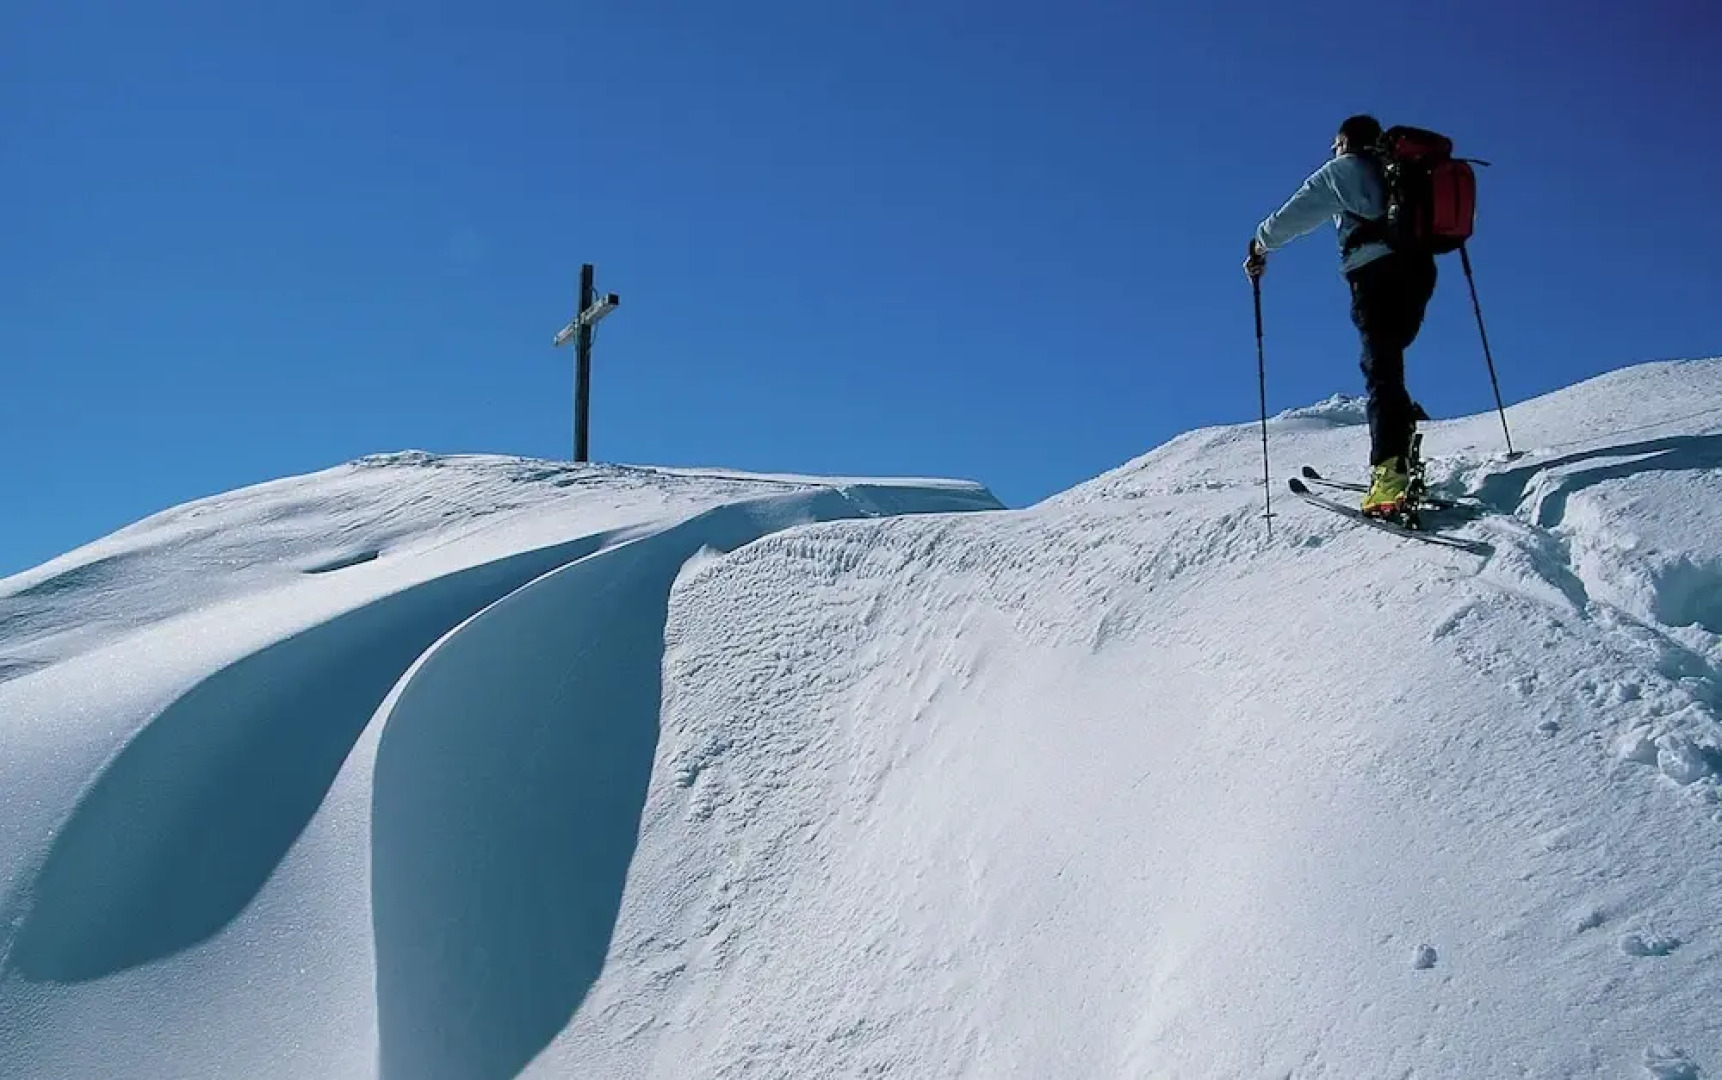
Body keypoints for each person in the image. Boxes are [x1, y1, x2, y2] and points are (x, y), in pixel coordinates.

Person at [1244, 114, 1437, 517]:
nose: (1332, 150)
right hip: (1418, 271)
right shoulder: (1400, 172)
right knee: (1389, 364)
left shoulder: (1343, 171)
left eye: (1333, 144)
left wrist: (1258, 245)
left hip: (1375, 275)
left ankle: (1389, 475)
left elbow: (1293, 216)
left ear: (1344, 141)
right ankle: (1400, 436)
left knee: (1381, 369)